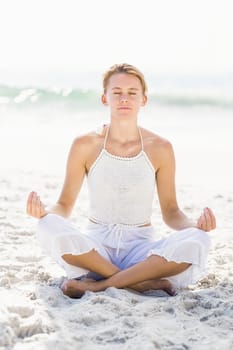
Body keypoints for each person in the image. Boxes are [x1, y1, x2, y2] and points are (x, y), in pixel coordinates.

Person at [27, 63, 216, 298]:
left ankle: (98, 284)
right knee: (46, 225)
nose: (124, 99)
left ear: (143, 100)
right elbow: (64, 206)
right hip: (97, 248)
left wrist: (195, 226)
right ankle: (139, 282)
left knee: (198, 240)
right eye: (116, 92)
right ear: (105, 98)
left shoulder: (161, 148)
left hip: (141, 249)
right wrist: (45, 211)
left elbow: (171, 212)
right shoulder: (84, 144)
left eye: (132, 93)